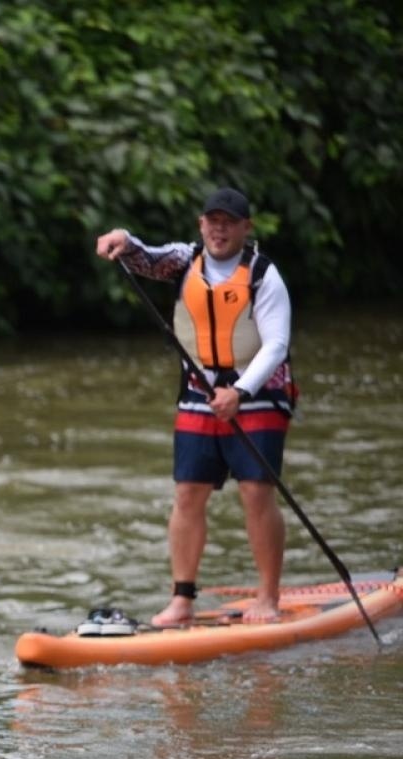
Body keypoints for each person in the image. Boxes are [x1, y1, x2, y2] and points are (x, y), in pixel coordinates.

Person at [95, 187, 295, 626]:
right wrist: (121, 238)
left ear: (246, 227)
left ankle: (268, 597)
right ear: (201, 225)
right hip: (200, 392)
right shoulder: (184, 261)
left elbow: (276, 344)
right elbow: (143, 254)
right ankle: (182, 599)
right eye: (212, 220)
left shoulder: (264, 275)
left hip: (258, 393)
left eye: (229, 221)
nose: (220, 228)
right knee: (188, 492)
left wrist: (239, 392)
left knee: (255, 492)